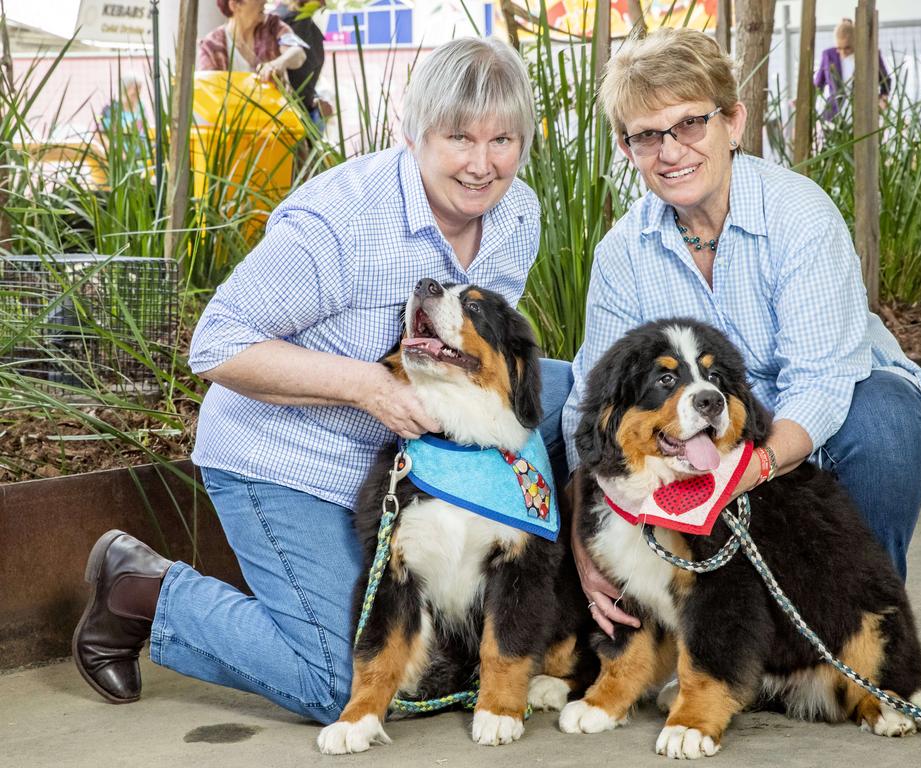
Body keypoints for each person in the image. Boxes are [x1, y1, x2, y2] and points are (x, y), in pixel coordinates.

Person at [72, 37, 574, 723]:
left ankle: (557, 608)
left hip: (410, 453)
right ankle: (144, 590)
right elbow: (217, 344)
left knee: (573, 394)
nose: (483, 165)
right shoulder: (340, 221)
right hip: (290, 457)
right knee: (345, 683)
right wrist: (371, 389)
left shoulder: (518, 216)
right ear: (414, 130)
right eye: (459, 138)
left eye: (503, 140)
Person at [563, 27, 921, 638]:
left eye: (689, 124)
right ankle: (729, 635)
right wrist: (586, 546)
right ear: (626, 149)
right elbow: (591, 406)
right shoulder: (621, 255)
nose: (671, 151)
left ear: (732, 123)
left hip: (821, 415)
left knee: (884, 421)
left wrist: (742, 469)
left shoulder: (800, 216)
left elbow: (818, 385)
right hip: (696, 437)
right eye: (647, 135)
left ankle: (862, 628)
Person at [197, 0, 308, 84]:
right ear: (235, 5)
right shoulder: (211, 45)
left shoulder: (273, 25)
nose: (264, 1)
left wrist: (279, 63)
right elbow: (209, 90)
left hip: (274, 112)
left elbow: (298, 53)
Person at [271, 0, 333, 131]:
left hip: (306, 114)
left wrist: (316, 99)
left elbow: (307, 75)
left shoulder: (309, 26)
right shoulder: (277, 24)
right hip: (283, 118)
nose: (324, 3)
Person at [814, 17, 891, 119]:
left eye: (847, 48)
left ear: (856, 41)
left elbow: (885, 80)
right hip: (834, 113)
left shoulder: (870, 54)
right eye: (839, 48)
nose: (842, 52)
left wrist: (883, 99)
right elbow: (818, 84)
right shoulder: (828, 55)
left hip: (864, 113)